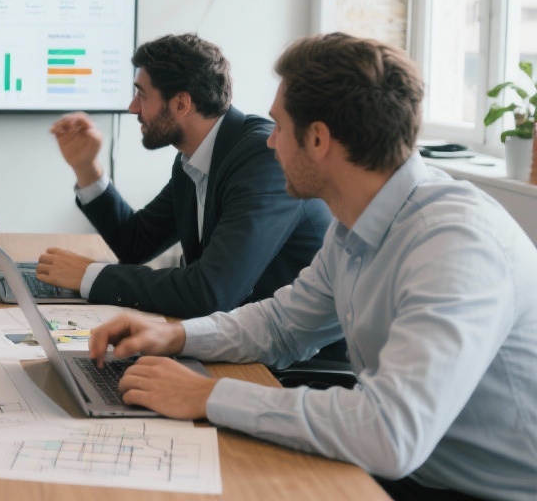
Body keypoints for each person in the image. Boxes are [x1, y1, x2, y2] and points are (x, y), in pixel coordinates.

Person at [89, 33, 537, 501]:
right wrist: (176, 336)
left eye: (279, 127)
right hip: (411, 472)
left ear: (318, 139)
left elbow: (391, 432)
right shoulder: (355, 225)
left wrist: (207, 396)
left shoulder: (455, 244)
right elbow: (282, 324)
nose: (269, 143)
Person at [41, 33, 333, 320]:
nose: (133, 108)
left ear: (181, 104)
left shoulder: (264, 160)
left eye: (142, 95)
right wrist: (86, 168)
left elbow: (211, 292)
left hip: (295, 362)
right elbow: (136, 243)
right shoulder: (195, 159)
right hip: (235, 340)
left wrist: (90, 275)